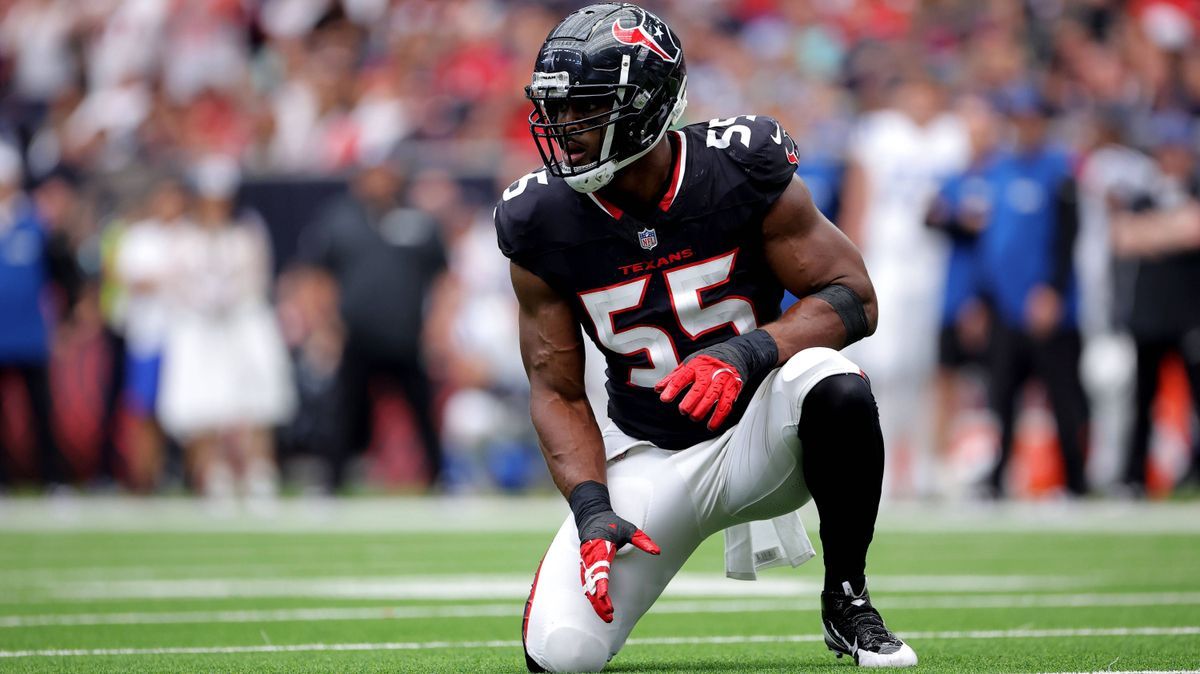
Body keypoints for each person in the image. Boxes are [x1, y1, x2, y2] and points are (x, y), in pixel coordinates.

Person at [495, 4, 915, 671]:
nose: (562, 127)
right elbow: (555, 391)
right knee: (562, 655)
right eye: (557, 108)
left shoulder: (739, 166)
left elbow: (852, 296)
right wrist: (592, 508)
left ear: (646, 107)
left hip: (764, 434)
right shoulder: (538, 219)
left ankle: (847, 597)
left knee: (833, 381)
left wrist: (745, 353)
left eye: (585, 108)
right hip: (648, 454)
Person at [299, 156, 449, 492]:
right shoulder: (339, 221)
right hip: (356, 336)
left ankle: (441, 479)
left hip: (406, 337)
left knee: (423, 411)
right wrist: (324, 326)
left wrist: (438, 325)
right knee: (343, 412)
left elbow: (443, 279)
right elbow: (316, 277)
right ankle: (330, 484)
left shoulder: (419, 222)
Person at [976, 90, 1090, 498]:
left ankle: (1077, 480)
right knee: (1003, 396)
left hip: (1046, 304)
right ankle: (997, 479)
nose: (1025, 127)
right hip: (1006, 304)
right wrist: (984, 299)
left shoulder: (1059, 170)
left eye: (1031, 119)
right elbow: (991, 242)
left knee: (1063, 394)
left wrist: (1053, 291)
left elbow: (1068, 234)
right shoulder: (999, 170)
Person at [1110, 114, 1200, 495]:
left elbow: (1193, 231)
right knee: (1142, 398)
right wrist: (1172, 229)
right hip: (1149, 316)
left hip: (1191, 313)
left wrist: (1152, 231)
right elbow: (1123, 237)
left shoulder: (1190, 189)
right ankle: (1134, 477)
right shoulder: (1141, 193)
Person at [0, 142, 71, 490]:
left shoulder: (35, 222)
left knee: (41, 411)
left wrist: (66, 319)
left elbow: (61, 272)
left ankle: (52, 478)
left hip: (30, 334)